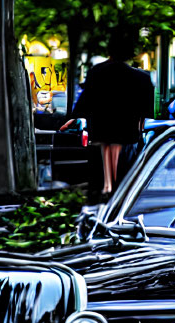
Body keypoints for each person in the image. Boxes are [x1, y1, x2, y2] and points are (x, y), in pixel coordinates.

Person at [64, 28, 154, 197]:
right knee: (124, 184)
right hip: (127, 138)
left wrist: (74, 120)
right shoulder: (142, 78)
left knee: (100, 185)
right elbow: (146, 114)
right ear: (130, 53)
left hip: (101, 135)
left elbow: (84, 105)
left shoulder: (96, 73)